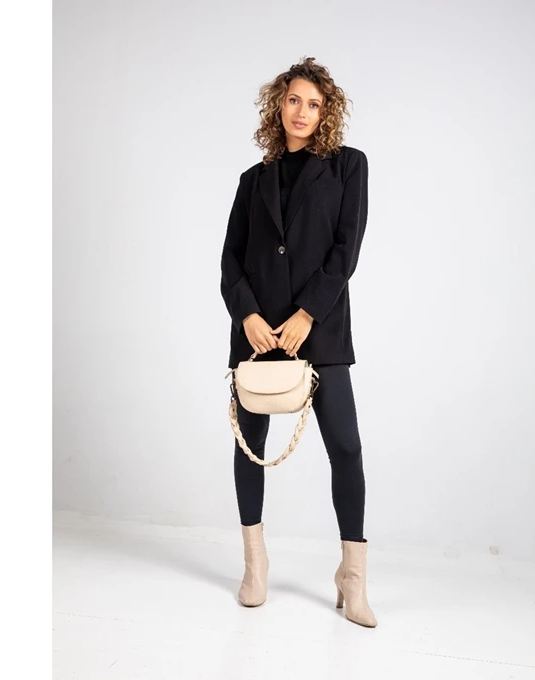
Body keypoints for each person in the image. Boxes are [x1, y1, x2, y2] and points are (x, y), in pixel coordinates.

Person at [220, 57, 377, 628]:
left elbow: (345, 250)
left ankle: (352, 577)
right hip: (258, 334)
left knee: (346, 448)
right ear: (278, 105)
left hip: (320, 328)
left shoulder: (348, 167)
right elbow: (230, 259)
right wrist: (247, 315)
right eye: (293, 100)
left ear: (326, 111)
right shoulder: (252, 180)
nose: (302, 111)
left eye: (314, 103)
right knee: (249, 446)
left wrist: (308, 312)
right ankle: (255, 564)